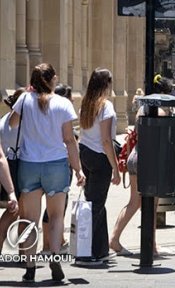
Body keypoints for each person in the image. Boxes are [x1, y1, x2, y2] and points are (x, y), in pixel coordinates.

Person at [9, 63, 85, 283]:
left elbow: (12, 124)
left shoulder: (24, 101)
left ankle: (30, 267)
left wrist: (24, 97)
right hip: (56, 165)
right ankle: (54, 257)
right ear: (52, 79)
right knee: (56, 217)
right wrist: (78, 169)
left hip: (29, 164)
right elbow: (69, 140)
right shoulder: (62, 103)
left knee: (30, 220)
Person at [109, 75, 174, 256]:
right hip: (149, 160)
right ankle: (150, 246)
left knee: (134, 202)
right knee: (151, 203)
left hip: (136, 157)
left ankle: (115, 239)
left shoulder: (142, 109)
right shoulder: (160, 111)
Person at [77, 68, 120, 266]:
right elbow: (105, 140)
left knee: (95, 202)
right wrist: (116, 169)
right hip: (100, 157)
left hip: (85, 153)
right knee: (95, 206)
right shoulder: (106, 106)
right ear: (106, 84)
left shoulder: (86, 104)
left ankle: (101, 249)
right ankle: (85, 253)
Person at [41, 84, 73, 254]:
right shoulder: (62, 114)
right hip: (60, 164)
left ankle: (55, 241)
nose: (73, 100)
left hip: (43, 162)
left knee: (52, 207)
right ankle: (50, 246)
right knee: (57, 208)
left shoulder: (47, 113)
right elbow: (69, 141)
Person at [0, 89, 24, 253]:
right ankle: (24, 252)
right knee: (18, 209)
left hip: (7, 168)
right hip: (16, 168)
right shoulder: (22, 122)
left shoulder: (3, 120)